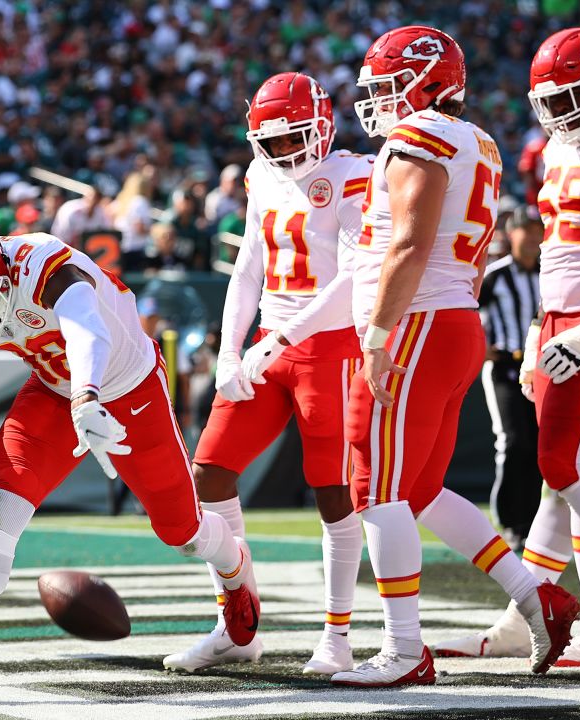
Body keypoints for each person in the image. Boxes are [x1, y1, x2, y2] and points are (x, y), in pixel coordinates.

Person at [0, 212, 259, 708]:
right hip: (54, 392)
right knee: (3, 509)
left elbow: (86, 330)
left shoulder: (40, 264)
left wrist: (87, 398)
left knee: (181, 531)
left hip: (128, 386)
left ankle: (235, 567)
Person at [333, 26, 580, 687]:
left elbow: (411, 245)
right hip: (451, 320)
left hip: (414, 324)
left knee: (375, 488)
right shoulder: (482, 142)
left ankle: (403, 649)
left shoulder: (419, 136)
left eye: (389, 85)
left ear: (425, 83)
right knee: (416, 490)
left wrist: (381, 337)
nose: (379, 100)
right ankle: (538, 598)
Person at [434, 27, 580, 671]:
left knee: (565, 464)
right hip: (561, 317)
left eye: (573, 96)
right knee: (566, 480)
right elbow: (559, 256)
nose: (561, 111)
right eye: (551, 99)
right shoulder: (560, 149)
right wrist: (540, 328)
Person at [164, 72, 371, 676]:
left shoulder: (353, 174)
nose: (283, 152)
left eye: (293, 138)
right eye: (271, 141)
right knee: (209, 472)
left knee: (333, 492)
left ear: (324, 126)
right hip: (267, 346)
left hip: (329, 347)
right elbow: (249, 265)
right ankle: (238, 622)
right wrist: (230, 349)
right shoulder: (260, 176)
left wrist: (280, 336)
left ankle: (337, 634)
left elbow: (354, 277)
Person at [476, 209, 544, 552]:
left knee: (539, 447)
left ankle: (533, 523)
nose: (533, 237)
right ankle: (510, 521)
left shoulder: (550, 273)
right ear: (511, 234)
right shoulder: (494, 276)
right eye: (526, 231)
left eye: (537, 231)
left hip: (543, 369)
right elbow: (467, 310)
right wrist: (481, 346)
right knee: (514, 441)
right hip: (505, 368)